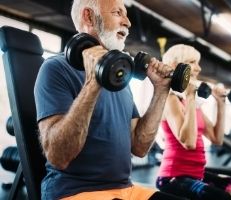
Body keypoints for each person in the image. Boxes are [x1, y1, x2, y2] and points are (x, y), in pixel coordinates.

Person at [34, 0, 184, 199]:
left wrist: (161, 90)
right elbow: (58, 156)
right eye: (117, 12)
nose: (128, 22)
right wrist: (92, 82)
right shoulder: (55, 68)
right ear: (89, 17)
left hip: (127, 190)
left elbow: (139, 147)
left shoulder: (120, 77)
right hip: (75, 192)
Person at [156, 44, 231, 200]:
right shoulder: (171, 99)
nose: (198, 68)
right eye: (192, 62)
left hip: (198, 174)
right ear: (176, 66)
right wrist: (190, 98)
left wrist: (220, 104)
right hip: (173, 178)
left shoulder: (193, 104)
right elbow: (188, 142)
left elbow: (217, 139)